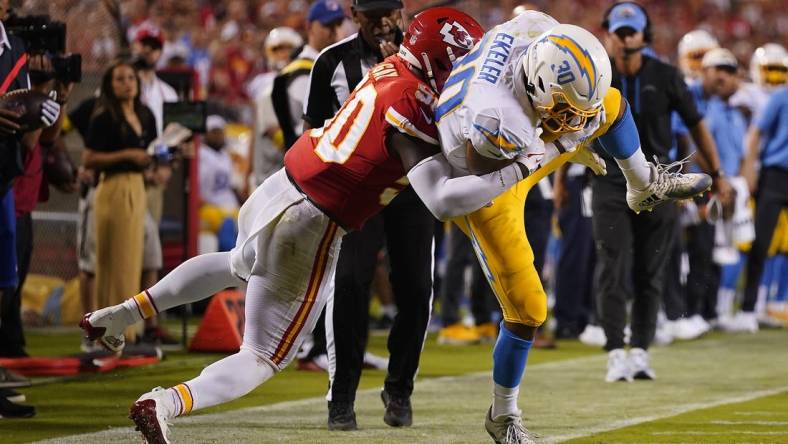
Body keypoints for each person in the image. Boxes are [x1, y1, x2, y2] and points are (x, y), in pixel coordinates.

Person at [79, 9, 526, 443]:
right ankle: (165, 402)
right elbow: (441, 200)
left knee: (236, 263)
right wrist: (520, 167)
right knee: (261, 357)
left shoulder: (389, 67)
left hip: (282, 185)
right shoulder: (413, 106)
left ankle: (122, 315)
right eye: (462, 59)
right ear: (437, 58)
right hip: (313, 220)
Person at [433, 10, 713, 442]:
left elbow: (580, 108)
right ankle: (503, 415)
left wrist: (567, 132)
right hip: (484, 176)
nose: (577, 122)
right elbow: (481, 176)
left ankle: (642, 184)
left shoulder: (541, 34)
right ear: (542, 89)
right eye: (565, 110)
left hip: (524, 135)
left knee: (612, 104)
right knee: (529, 309)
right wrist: (563, 143)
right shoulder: (495, 118)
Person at [301, 0, 439, 430]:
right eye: (371, 12)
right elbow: (316, 133)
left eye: (388, 11)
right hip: (356, 192)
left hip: (412, 186)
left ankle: (399, 389)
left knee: (416, 288)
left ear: (401, 11)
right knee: (347, 287)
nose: (382, 21)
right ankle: (340, 397)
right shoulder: (331, 63)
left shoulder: (428, 57)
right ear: (353, 14)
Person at [596, 2, 731, 384]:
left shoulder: (667, 76)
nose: (625, 38)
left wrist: (717, 173)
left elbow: (696, 125)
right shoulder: (596, 75)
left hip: (661, 182)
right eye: (619, 31)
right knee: (612, 265)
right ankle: (614, 353)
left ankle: (639, 350)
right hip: (608, 179)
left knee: (650, 269)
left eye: (631, 31)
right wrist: (561, 184)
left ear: (644, 35)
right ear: (608, 33)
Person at [0, 0, 60, 417]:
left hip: (3, 175)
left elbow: (25, 127)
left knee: (4, 283)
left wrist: (42, 112)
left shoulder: (15, 44)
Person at [82, 60, 156, 346]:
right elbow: (89, 159)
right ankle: (103, 330)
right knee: (111, 261)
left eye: (131, 78)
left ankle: (128, 329)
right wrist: (127, 155)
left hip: (138, 187)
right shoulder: (104, 116)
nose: (127, 83)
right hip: (113, 186)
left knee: (130, 260)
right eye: (120, 79)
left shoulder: (145, 114)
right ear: (110, 86)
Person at [738, 84, 788, 332]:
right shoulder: (781, 96)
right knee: (761, 241)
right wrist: (749, 169)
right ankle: (748, 308)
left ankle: (774, 303)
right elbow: (756, 132)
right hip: (776, 175)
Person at [270, 0, 345, 150]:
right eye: (327, 25)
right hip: (312, 155)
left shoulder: (333, 64)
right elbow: (306, 131)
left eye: (338, 24)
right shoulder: (301, 71)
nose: (334, 31)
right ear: (309, 27)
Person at [198, 115, 240, 252]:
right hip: (209, 207)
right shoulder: (201, 153)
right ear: (206, 134)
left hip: (228, 207)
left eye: (220, 132)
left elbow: (233, 186)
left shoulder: (225, 155)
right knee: (227, 233)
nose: (218, 136)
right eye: (214, 132)